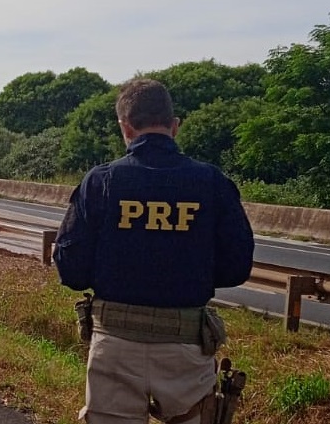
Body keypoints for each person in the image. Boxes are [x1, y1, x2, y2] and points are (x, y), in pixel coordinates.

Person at [54, 79, 254, 424]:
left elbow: (70, 269)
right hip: (187, 346)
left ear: (125, 128)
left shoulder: (100, 181)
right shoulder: (211, 181)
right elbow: (237, 266)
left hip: (114, 345)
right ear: (174, 126)